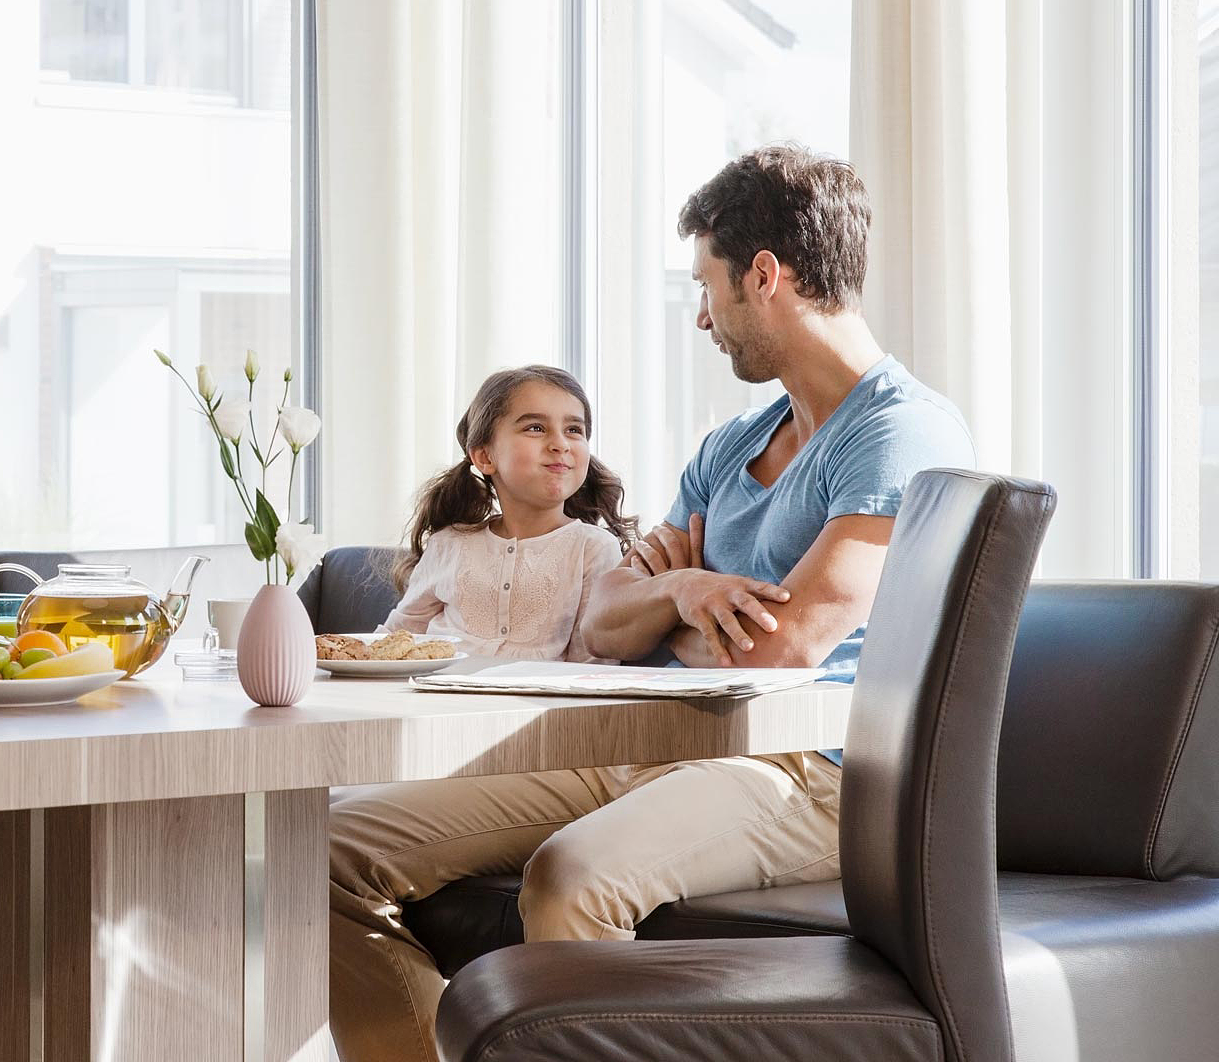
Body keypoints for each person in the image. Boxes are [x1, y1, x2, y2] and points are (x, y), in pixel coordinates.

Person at [328, 145, 976, 1062]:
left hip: (807, 768)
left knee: (570, 878)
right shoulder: (732, 443)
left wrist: (675, 613)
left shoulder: (899, 432)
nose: (704, 318)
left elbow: (778, 651)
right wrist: (683, 587)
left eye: (709, 289)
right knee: (331, 847)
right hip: (652, 737)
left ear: (765, 275)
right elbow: (607, 624)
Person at [329, 364, 638, 1060]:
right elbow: (391, 646)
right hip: (434, 743)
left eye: (575, 430)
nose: (561, 444)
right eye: (535, 427)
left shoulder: (594, 548)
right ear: (483, 456)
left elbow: (595, 670)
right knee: (314, 828)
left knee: (331, 840)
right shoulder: (451, 547)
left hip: (540, 754)